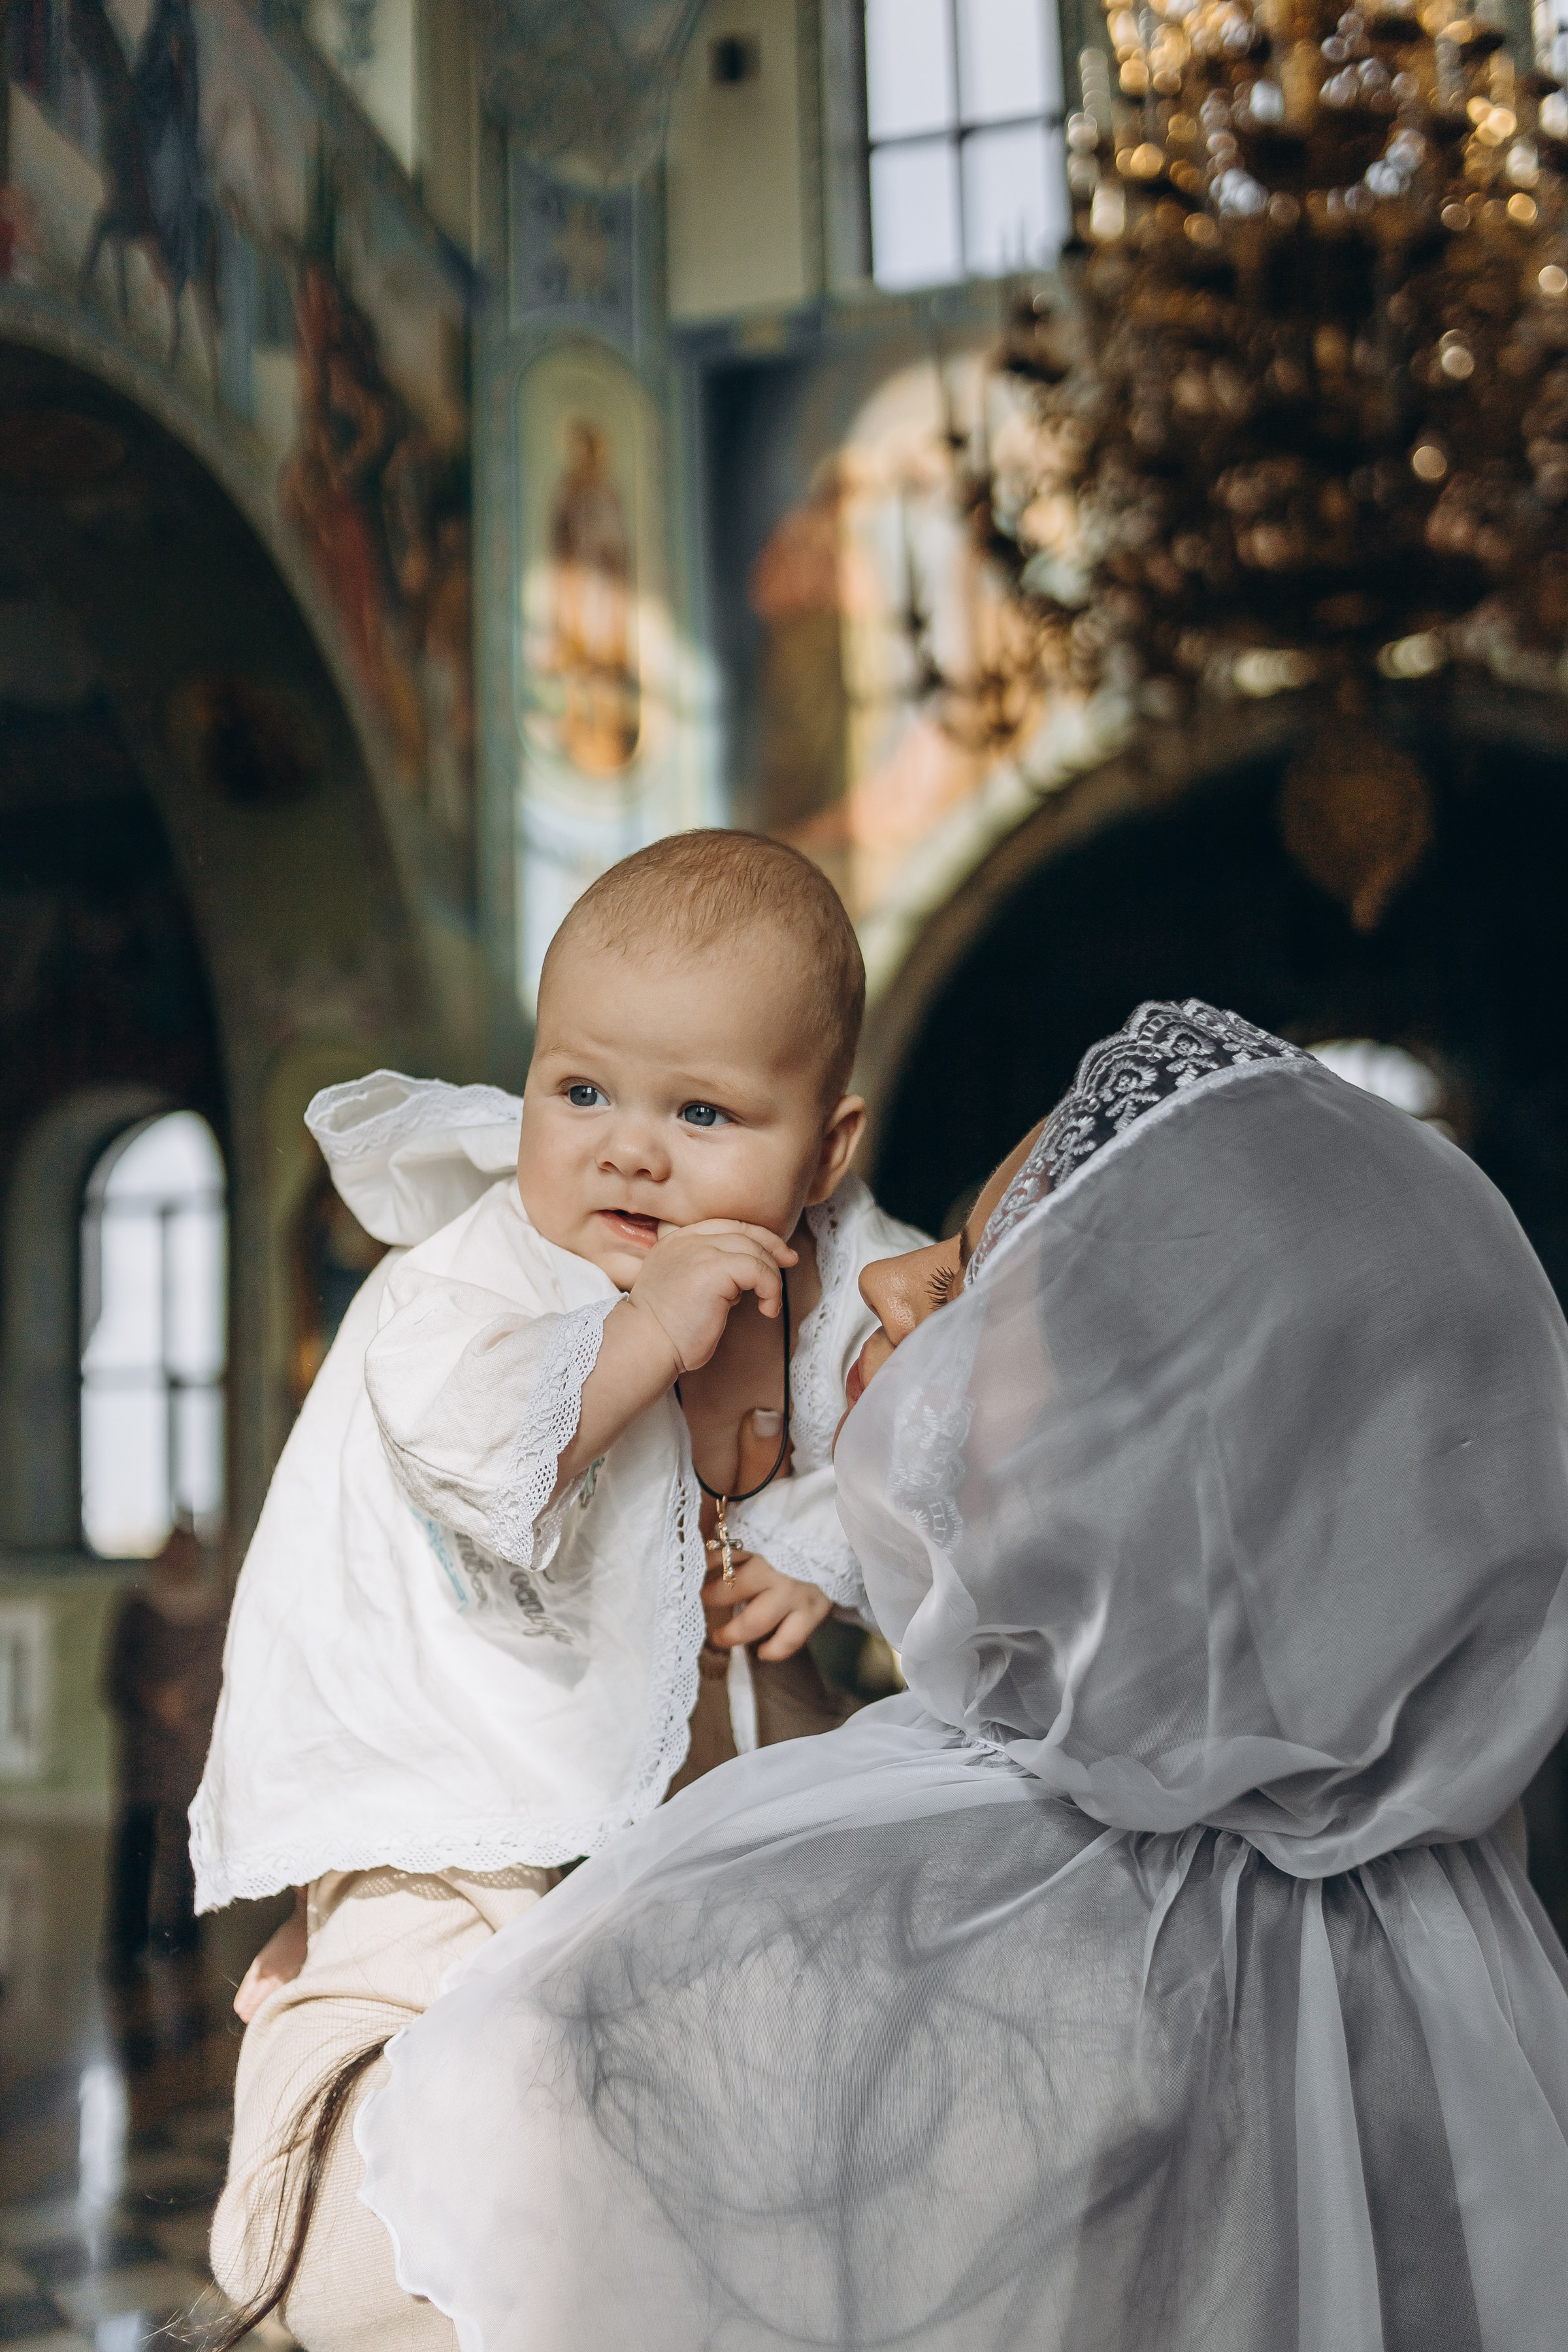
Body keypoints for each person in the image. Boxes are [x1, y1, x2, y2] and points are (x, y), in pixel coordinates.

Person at [356, 997, 1568, 2352]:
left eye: (971, 1274)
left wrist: (358, 1987)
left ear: (1138, 1421)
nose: (889, 1283)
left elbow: (403, 2252)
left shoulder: (843, 1930)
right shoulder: (1449, 1943)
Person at [197, 830, 925, 2349]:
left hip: (726, 1790)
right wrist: (645, 1334)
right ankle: (314, 2220)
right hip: (463, 1796)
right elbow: (481, 1454)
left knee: (802, 2054)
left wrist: (824, 1539)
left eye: (701, 1111)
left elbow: (936, 1431)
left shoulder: (846, 1270)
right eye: (579, 1090)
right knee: (399, 2071)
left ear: (826, 1149)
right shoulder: (469, 1276)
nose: (627, 1150)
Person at [101, 1512, 223, 1984]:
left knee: (190, 1849)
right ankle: (128, 1941)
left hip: (194, 1748)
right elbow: (116, 1676)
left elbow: (220, 1672)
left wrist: (189, 1701)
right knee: (138, 1843)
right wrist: (155, 1699)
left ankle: (182, 1939)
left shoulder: (214, 1610)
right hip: (148, 1752)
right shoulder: (137, 1609)